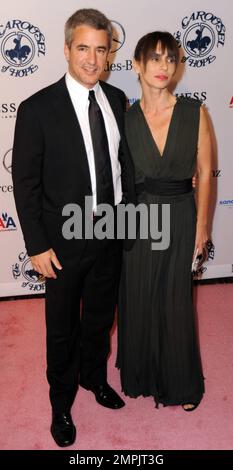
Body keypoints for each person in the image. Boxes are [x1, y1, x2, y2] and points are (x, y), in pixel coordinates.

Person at [12, 8, 136, 447]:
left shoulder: (118, 99)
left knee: (101, 318)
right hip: (61, 241)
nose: (92, 58)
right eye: (83, 48)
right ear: (66, 49)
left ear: (109, 54)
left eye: (100, 49)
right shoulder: (37, 108)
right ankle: (61, 402)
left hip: (111, 231)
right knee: (62, 325)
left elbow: (124, 167)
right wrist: (37, 245)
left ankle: (93, 378)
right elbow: (24, 184)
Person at [117, 31, 212, 410]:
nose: (163, 67)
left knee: (175, 301)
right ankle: (141, 374)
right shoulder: (125, 119)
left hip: (180, 216)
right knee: (138, 297)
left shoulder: (194, 113)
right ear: (137, 65)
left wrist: (202, 227)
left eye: (170, 59)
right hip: (138, 219)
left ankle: (183, 385)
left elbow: (205, 173)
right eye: (154, 59)